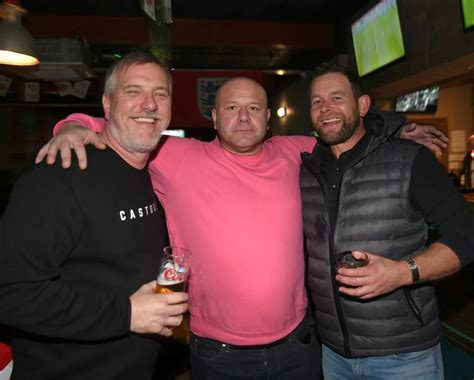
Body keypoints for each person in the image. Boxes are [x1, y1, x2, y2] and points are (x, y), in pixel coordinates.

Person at [35, 75, 448, 379]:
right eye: (231, 108)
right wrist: (71, 126)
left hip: (299, 347)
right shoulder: (175, 156)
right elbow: (120, 128)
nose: (243, 117)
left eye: (254, 108)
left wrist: (396, 127)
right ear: (214, 117)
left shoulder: (297, 152)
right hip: (219, 352)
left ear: (269, 119)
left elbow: (348, 132)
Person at [0, 51, 188, 379]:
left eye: (161, 94)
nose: (150, 104)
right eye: (134, 92)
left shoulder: (155, 172)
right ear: (106, 104)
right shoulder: (60, 175)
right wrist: (126, 314)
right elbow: (10, 293)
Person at [300, 62, 474, 380]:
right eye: (316, 101)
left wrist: (401, 272)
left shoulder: (409, 160)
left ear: (363, 105)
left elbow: (467, 235)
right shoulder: (306, 169)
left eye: (337, 98)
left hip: (404, 358)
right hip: (334, 355)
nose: (326, 109)